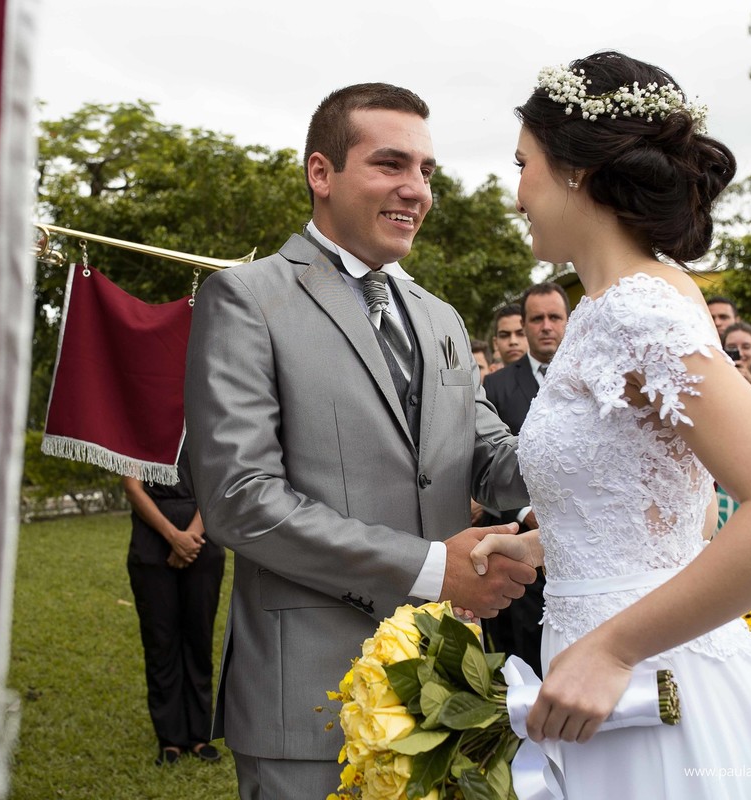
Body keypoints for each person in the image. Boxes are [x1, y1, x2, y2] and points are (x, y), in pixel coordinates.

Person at [472, 50, 751, 798]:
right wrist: (554, 538)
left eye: (524, 163)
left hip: (645, 682)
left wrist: (613, 650)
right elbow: (689, 500)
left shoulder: (633, 311)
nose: (517, 191)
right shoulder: (631, 299)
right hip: (613, 672)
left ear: (575, 169)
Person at [183, 83, 536, 798]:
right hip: (308, 699)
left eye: (427, 172)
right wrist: (436, 569)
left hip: (445, 687)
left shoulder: (438, 318)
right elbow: (240, 501)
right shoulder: (246, 299)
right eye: (391, 165)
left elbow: (493, 455)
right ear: (321, 173)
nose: (416, 190)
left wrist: (621, 463)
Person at [480, 281, 570, 676]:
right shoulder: (496, 386)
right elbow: (486, 459)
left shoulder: (591, 375)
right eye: (537, 318)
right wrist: (525, 509)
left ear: (569, 321)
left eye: (555, 317)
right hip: (520, 543)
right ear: (525, 324)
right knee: (528, 651)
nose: (546, 326)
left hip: (588, 542)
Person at [122, 448, 225, 766]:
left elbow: (219, 484)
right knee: (160, 641)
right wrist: (173, 537)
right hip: (152, 542)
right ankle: (170, 738)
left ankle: (199, 735)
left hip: (202, 537)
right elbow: (132, 487)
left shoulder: (206, 420)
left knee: (199, 639)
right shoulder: (138, 425)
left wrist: (190, 537)